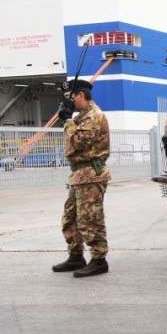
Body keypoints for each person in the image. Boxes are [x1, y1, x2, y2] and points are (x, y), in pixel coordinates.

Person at [51, 79, 111, 277]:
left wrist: (67, 121)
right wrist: (69, 121)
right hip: (79, 175)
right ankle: (76, 256)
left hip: (91, 174)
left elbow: (79, 141)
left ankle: (99, 260)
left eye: (69, 97)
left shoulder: (94, 116)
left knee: (90, 220)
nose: (66, 102)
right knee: (69, 218)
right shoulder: (81, 117)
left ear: (81, 95)